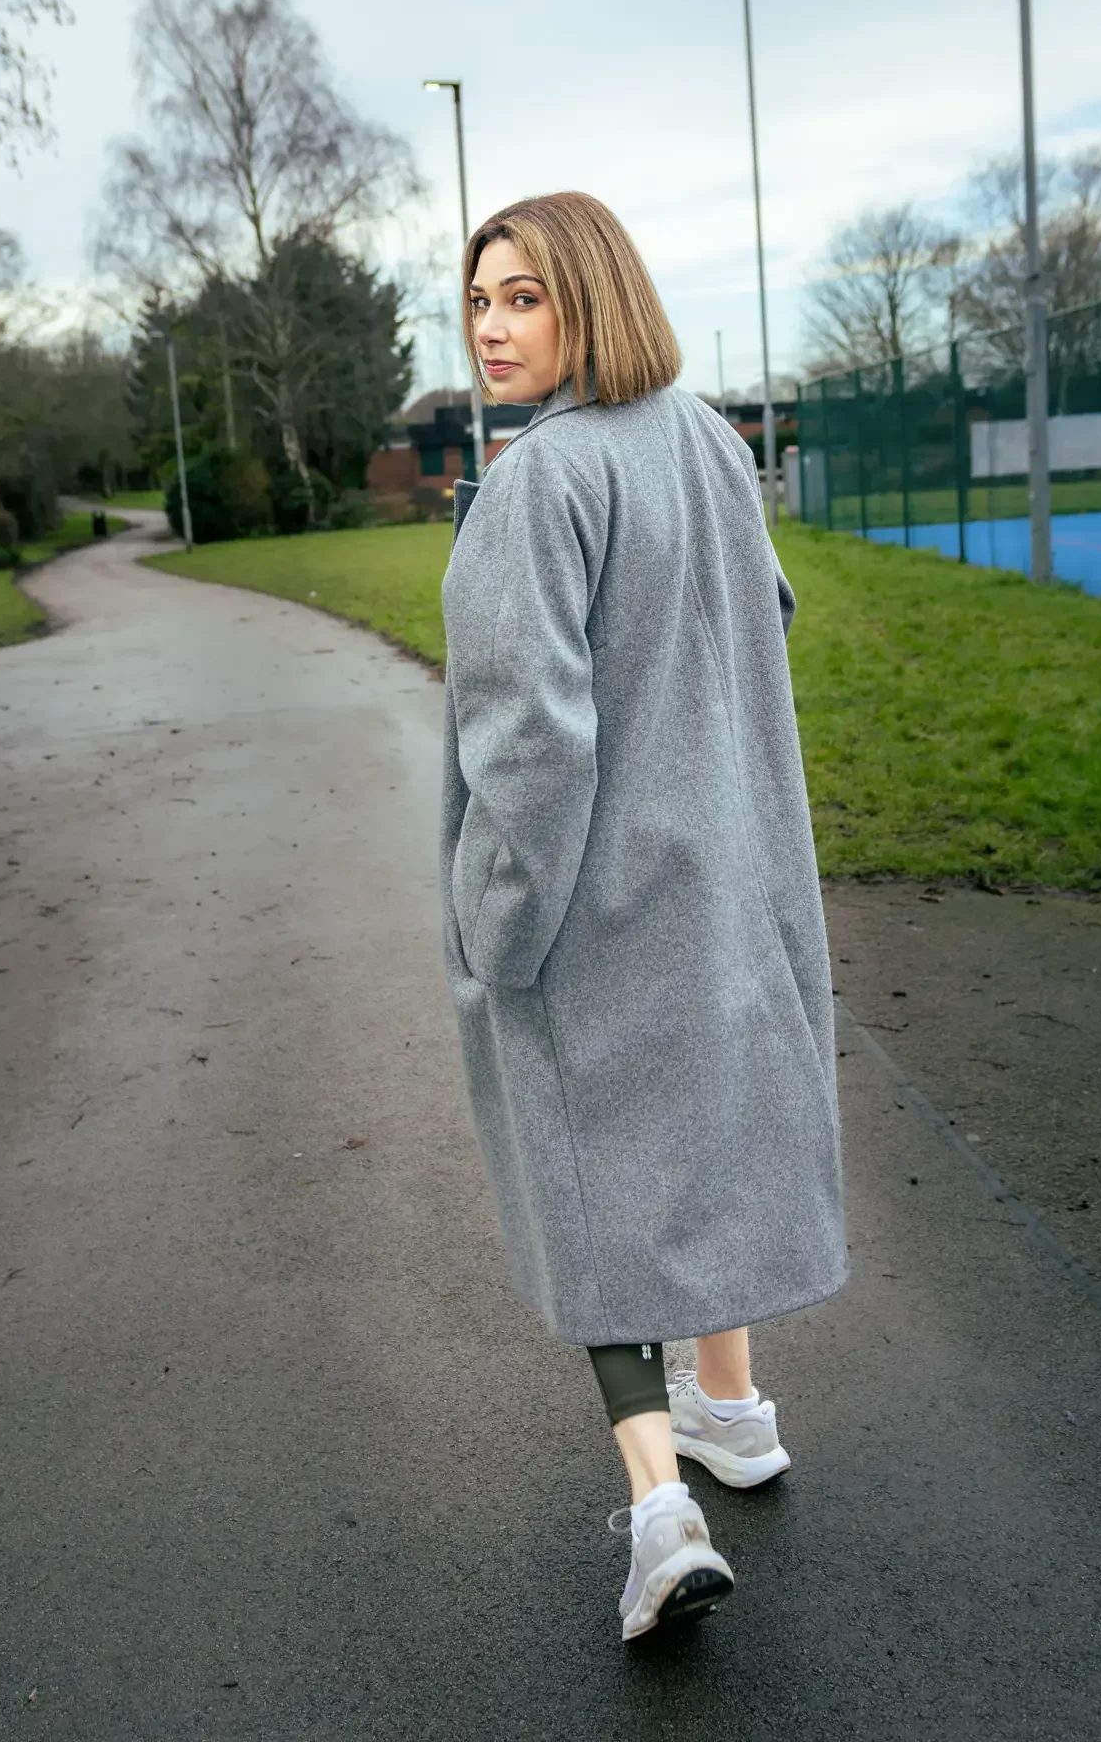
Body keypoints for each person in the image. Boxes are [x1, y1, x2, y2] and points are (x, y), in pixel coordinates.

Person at [439, 192, 847, 1642]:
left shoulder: (535, 487)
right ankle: (733, 1407)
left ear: (593, 298)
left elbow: (533, 752)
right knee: (707, 1142)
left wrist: (497, 930)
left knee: (592, 1181)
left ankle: (661, 1511)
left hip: (594, 899)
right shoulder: (708, 445)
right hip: (726, 871)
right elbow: (767, 615)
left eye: (526, 297)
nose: (491, 325)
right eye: (480, 297)